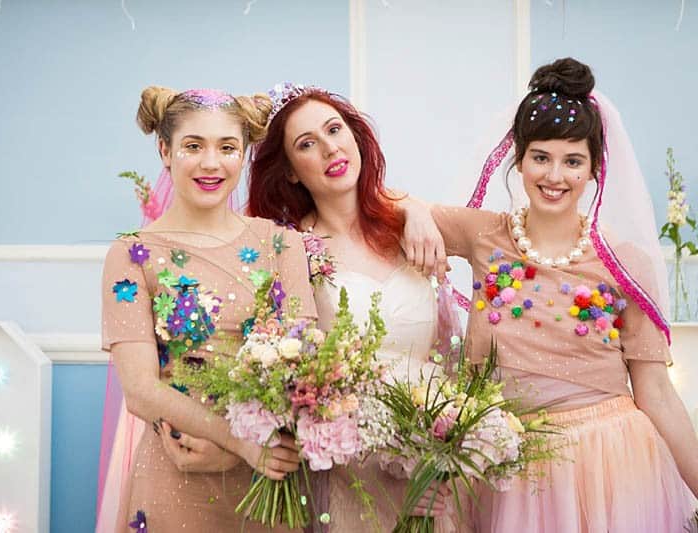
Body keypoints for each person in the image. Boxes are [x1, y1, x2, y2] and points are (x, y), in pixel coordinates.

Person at [429, 57, 698, 532]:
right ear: (518, 159)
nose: (554, 175)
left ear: (594, 169)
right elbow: (382, 209)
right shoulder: (483, 235)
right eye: (541, 157)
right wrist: (413, 214)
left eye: (572, 161)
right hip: (508, 467)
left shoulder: (623, 261)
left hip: (608, 466)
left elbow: (655, 391)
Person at [97, 86, 318, 532]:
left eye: (227, 147)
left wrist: (246, 449)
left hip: (269, 479)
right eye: (194, 146)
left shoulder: (281, 244)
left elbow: (310, 364)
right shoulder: (132, 254)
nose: (211, 163)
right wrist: (239, 443)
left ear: (245, 153)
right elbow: (140, 389)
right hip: (177, 475)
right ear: (165, 150)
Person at [247, 83, 457, 532]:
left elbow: (450, 354)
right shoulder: (291, 251)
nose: (330, 149)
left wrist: (450, 455)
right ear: (290, 172)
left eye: (334, 130)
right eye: (307, 144)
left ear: (355, 136)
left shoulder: (410, 228)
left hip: (427, 465)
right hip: (345, 473)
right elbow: (290, 372)